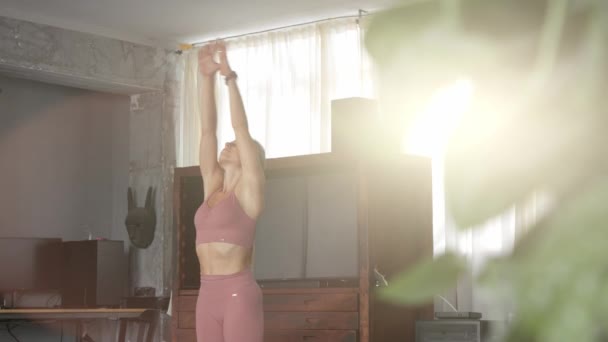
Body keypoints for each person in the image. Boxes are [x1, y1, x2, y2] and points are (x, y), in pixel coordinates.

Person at [194, 40, 265, 342]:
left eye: (233, 147)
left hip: (238, 292)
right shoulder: (212, 185)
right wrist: (205, 77)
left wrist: (229, 78)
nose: (227, 145)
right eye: (228, 144)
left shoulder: (249, 193)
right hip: (206, 292)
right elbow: (207, 130)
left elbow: (241, 128)